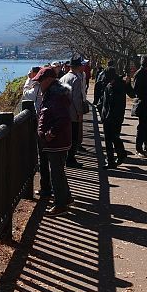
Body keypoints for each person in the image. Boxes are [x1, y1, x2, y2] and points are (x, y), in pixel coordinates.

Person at [34, 66, 74, 216]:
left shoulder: (55, 96)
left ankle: (60, 205)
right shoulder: (54, 93)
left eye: (41, 80)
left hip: (56, 142)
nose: (39, 83)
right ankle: (66, 198)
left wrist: (50, 134)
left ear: (49, 80)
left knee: (56, 173)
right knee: (58, 172)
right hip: (58, 141)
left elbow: (63, 118)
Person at [126, 55, 147, 157]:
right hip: (143, 104)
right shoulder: (139, 74)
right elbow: (136, 91)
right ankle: (138, 148)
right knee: (142, 127)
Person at [60, 57, 88, 167]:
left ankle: (66, 157)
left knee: (66, 136)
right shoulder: (76, 79)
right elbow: (76, 98)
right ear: (78, 66)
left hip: (63, 111)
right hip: (73, 112)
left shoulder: (63, 78)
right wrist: (80, 112)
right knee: (74, 137)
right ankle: (70, 159)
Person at [100, 63, 128, 169]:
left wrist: (107, 116)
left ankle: (112, 159)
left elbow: (115, 104)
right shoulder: (110, 85)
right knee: (113, 138)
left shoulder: (117, 87)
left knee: (111, 138)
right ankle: (120, 155)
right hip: (109, 116)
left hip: (113, 117)